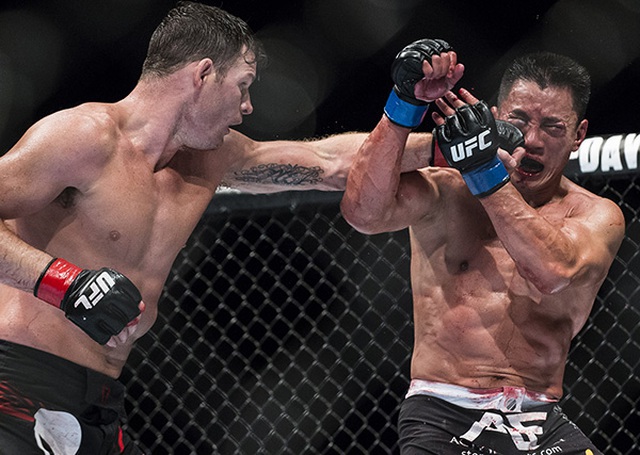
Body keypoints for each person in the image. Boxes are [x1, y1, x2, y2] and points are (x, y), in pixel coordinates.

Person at [0, 3, 462, 453]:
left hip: (100, 401)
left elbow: (330, 162)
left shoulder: (211, 159)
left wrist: (449, 147)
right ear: (202, 75)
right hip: (18, 379)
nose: (246, 107)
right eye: (242, 86)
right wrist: (63, 282)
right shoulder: (84, 138)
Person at [341, 41, 625, 454]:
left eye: (553, 127)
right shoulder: (446, 191)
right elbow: (363, 214)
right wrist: (404, 105)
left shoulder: (597, 215)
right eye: (519, 120)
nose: (531, 140)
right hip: (444, 411)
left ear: (578, 135)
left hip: (540, 421)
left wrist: (484, 169)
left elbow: (552, 271)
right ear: (494, 117)